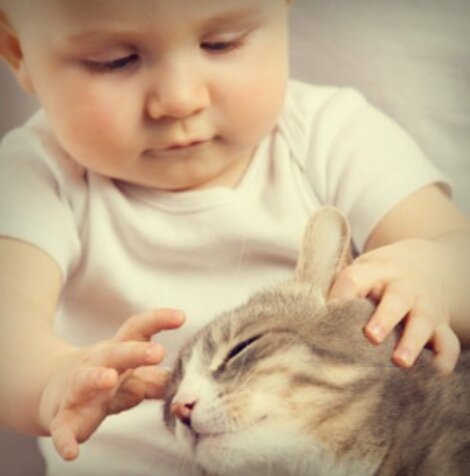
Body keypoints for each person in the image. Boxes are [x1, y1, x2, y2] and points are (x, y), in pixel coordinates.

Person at [0, 0, 469, 474]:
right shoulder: (37, 174)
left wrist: (431, 273)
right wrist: (52, 378)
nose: (180, 99)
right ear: (18, 51)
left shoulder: (331, 132)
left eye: (220, 44)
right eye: (115, 61)